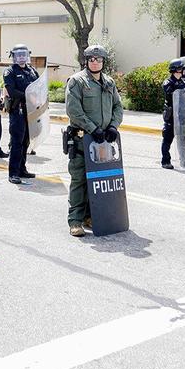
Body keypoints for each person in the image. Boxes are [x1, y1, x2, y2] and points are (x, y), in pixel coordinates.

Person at [65, 45, 123, 235]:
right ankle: (75, 220)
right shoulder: (77, 81)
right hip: (83, 139)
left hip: (104, 141)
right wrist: (92, 128)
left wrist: (113, 126)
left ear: (103, 62)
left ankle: (91, 216)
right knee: (80, 180)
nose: (95, 62)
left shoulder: (109, 82)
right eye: (92, 59)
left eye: (99, 59)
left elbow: (117, 107)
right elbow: (74, 110)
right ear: (86, 61)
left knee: (99, 180)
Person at [3, 43, 39, 184]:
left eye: (24, 54)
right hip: (18, 110)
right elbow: (12, 91)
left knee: (25, 142)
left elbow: (38, 87)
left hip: (30, 112)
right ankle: (13, 173)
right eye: (18, 55)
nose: (22, 57)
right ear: (13, 56)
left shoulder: (32, 71)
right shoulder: (10, 72)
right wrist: (29, 96)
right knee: (17, 142)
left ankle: (22, 169)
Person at [160, 58, 185, 168]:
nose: (183, 71)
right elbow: (170, 91)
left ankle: (184, 160)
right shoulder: (168, 82)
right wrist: (183, 89)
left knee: (182, 139)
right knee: (167, 139)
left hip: (182, 115)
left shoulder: (183, 82)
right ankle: (166, 161)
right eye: (181, 69)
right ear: (175, 70)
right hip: (172, 116)